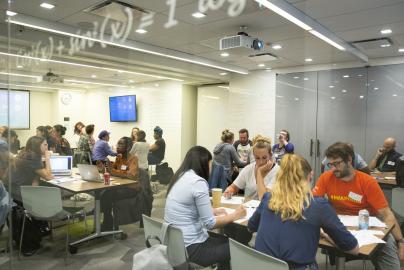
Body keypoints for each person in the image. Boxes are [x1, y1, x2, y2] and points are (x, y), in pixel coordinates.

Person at [249, 154, 359, 269]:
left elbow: (251, 227)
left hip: (261, 266)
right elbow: (353, 248)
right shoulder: (318, 205)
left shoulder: (268, 198)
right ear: (311, 175)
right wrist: (327, 236)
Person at [313, 142, 404, 269]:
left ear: (349, 160)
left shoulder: (367, 182)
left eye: (337, 164)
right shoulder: (325, 178)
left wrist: (400, 243)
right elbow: (313, 204)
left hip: (368, 227)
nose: (332, 168)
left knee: (388, 251)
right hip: (339, 226)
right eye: (330, 164)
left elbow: (386, 214)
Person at [164, 146, 246, 270]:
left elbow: (186, 208)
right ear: (204, 164)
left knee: (225, 241)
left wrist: (212, 210)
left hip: (174, 243)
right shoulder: (198, 182)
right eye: (210, 163)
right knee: (235, 247)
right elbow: (210, 224)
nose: (211, 167)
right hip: (191, 247)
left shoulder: (180, 176)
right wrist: (235, 215)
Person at [101, 137, 139, 230]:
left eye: (121, 145)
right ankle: (108, 221)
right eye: (118, 144)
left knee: (107, 195)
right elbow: (113, 170)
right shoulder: (119, 157)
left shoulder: (134, 159)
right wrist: (105, 168)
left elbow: (131, 176)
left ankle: (108, 223)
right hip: (119, 185)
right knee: (104, 194)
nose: (118, 147)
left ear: (128, 147)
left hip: (131, 188)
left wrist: (113, 172)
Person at [224, 136, 279, 200]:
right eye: (257, 158)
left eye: (264, 158)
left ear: (270, 155)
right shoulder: (248, 169)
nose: (261, 162)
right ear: (253, 156)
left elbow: (264, 199)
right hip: (248, 208)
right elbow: (234, 187)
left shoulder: (278, 171)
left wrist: (259, 172)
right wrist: (229, 191)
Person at [7, 136, 53, 201]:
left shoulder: (25, 152)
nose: (47, 146)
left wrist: (36, 180)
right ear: (37, 146)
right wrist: (47, 158)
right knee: (50, 193)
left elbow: (35, 170)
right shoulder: (32, 156)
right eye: (45, 144)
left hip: (11, 187)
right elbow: (49, 177)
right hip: (17, 189)